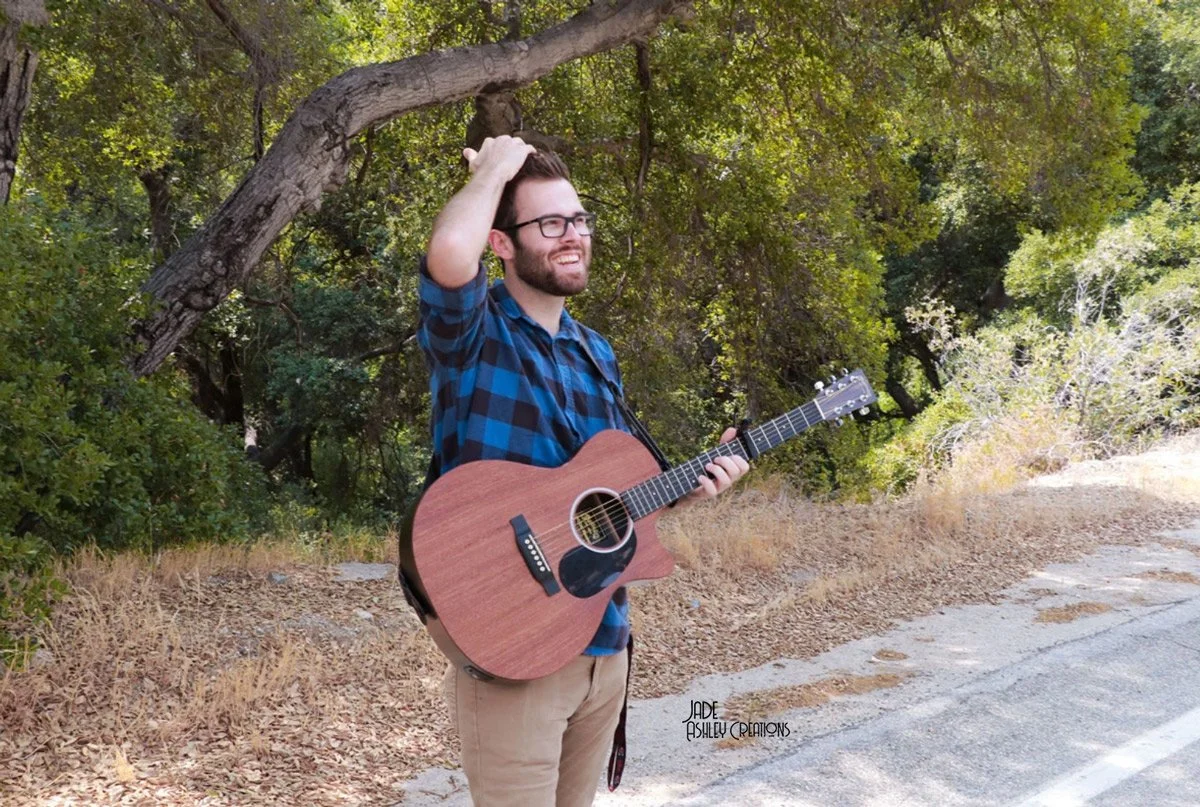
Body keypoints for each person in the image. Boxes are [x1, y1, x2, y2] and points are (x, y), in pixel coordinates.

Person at [417, 135, 750, 807]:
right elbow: (449, 256)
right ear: (501, 243)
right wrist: (497, 168)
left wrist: (699, 482)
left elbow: (614, 505)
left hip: (603, 640)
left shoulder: (596, 352)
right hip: (514, 646)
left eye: (578, 220)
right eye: (549, 223)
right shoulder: (478, 334)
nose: (572, 236)